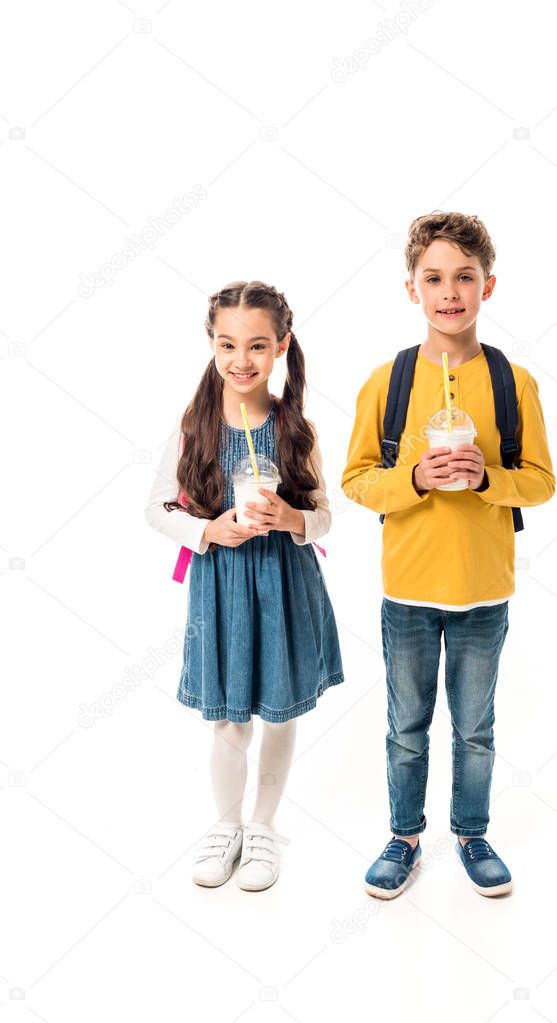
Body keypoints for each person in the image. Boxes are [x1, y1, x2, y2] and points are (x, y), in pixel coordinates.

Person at [341, 212, 555, 899]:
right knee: (405, 727)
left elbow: (542, 481)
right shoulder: (386, 381)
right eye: (433, 277)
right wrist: (413, 479)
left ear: (487, 285)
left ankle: (470, 831)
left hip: (482, 591)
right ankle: (404, 835)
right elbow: (355, 478)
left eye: (463, 276)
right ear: (411, 289)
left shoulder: (513, 382)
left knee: (476, 729)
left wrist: (489, 477)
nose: (449, 290)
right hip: (406, 589)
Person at [145, 280, 344, 891]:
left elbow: (325, 515)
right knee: (229, 720)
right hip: (222, 586)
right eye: (228, 344)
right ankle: (226, 825)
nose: (242, 360)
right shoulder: (193, 427)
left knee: (279, 714)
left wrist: (292, 518)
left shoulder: (294, 428)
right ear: (211, 344)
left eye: (257, 346)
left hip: (284, 584)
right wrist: (208, 530)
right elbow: (157, 509)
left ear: (281, 346)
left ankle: (263, 828)